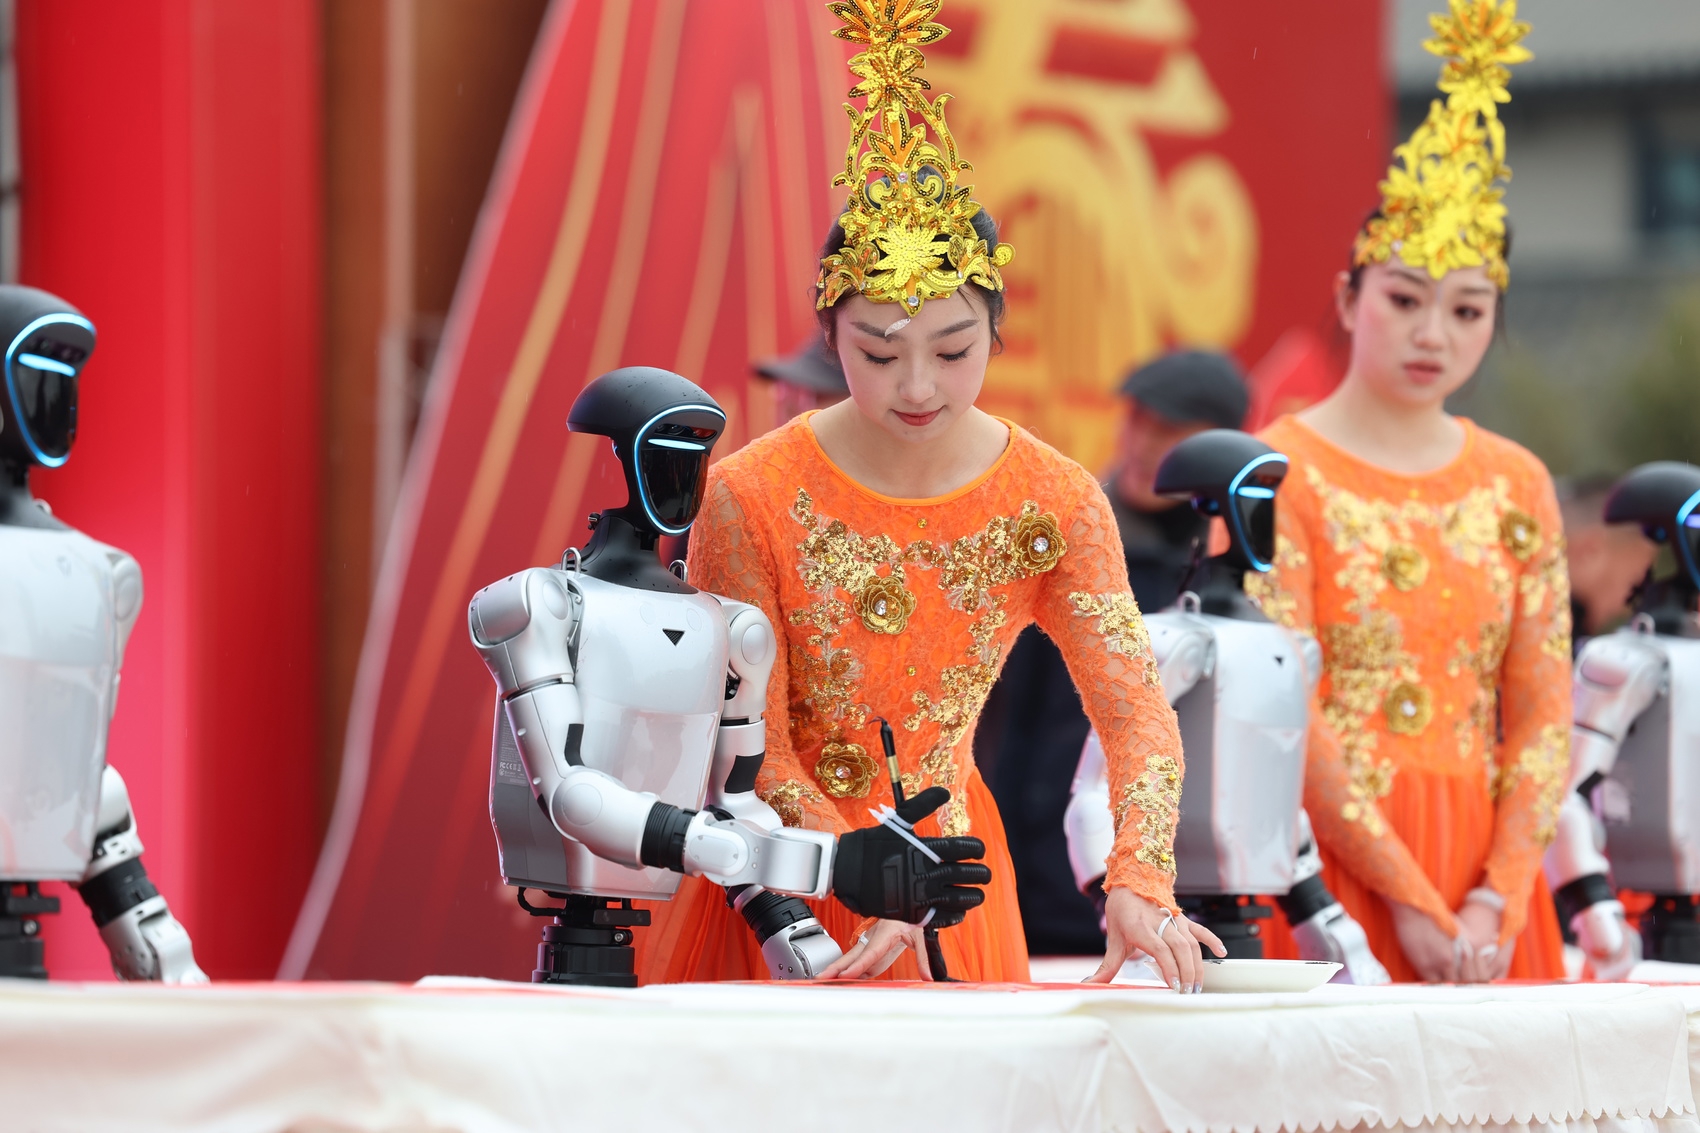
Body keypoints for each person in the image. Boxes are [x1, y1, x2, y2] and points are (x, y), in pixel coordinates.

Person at [636, 0, 1222, 989]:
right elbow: (746, 751)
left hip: (952, 886)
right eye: (879, 352)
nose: (917, 387)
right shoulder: (748, 494)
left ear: (997, 331)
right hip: (783, 883)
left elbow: (1136, 712)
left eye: (952, 351)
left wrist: (1138, 874)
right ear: (829, 335)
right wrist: (854, 866)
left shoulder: (1051, 500)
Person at [1245, 1, 1569, 982]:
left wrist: (1496, 894)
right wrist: (1405, 896)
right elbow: (1282, 708)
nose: (1433, 333)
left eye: (1466, 309)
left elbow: (1543, 715)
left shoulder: (1515, 481)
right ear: (1349, 297)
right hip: (1325, 872)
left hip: (1490, 890)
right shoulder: (1276, 468)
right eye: (1404, 298)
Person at [976, 350, 1248, 955]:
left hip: (1178, 899)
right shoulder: (1070, 535)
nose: (1145, 444)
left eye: (1171, 430)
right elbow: (1004, 722)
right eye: (1139, 420)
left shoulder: (1230, 578)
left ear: (1220, 447)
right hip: (1038, 876)